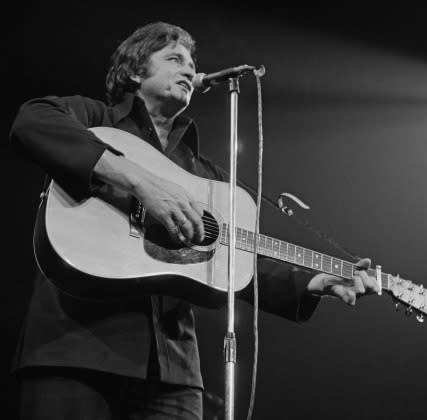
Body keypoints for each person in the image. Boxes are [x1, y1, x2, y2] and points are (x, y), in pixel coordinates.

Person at [9, 21, 377, 420]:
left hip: (174, 372)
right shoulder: (96, 118)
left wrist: (313, 280)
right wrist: (140, 181)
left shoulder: (208, 177)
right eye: (173, 58)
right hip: (75, 349)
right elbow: (32, 121)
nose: (188, 69)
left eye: (191, 61)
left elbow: (235, 262)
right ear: (135, 70)